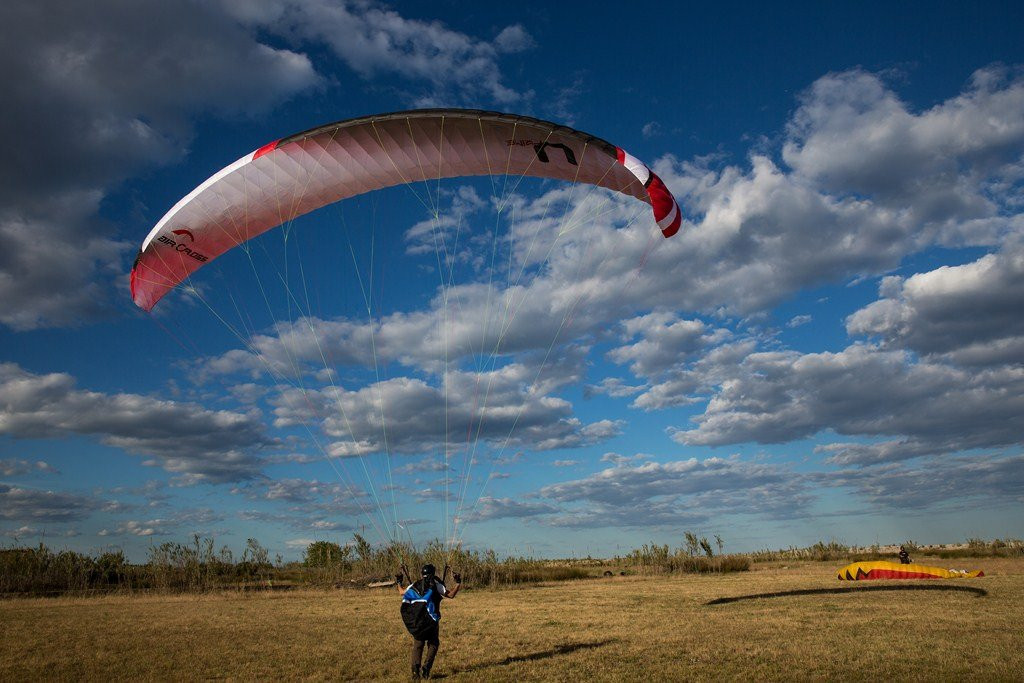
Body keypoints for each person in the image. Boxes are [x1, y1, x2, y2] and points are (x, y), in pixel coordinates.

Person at [397, 563, 461, 680]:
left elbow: (401, 592)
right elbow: (451, 595)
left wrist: (399, 582)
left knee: (418, 645)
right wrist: (458, 583)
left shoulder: (414, 585)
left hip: (418, 622)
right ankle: (426, 668)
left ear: (422, 574)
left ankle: (416, 672)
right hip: (431, 622)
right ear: (433, 573)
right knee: (434, 644)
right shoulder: (436, 585)